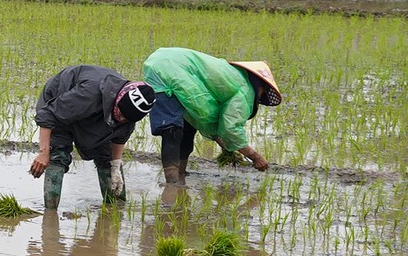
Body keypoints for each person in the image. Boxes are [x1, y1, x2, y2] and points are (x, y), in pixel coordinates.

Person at [142, 48, 283, 186]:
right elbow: (230, 128)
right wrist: (255, 157)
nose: (258, 99)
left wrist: (227, 147)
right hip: (172, 69)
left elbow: (204, 114)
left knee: (187, 126)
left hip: (157, 62)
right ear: (261, 87)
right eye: (261, 96)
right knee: (172, 129)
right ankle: (172, 186)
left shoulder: (234, 76)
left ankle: (180, 173)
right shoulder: (245, 91)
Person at [28, 66, 154, 211]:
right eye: (121, 112)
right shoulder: (89, 93)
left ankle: (116, 211)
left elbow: (119, 137)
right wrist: (44, 152)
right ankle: (50, 215)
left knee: (106, 157)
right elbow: (48, 115)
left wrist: (115, 166)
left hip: (97, 112)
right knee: (58, 155)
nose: (122, 118)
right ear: (118, 100)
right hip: (58, 104)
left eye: (126, 119)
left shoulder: (127, 117)